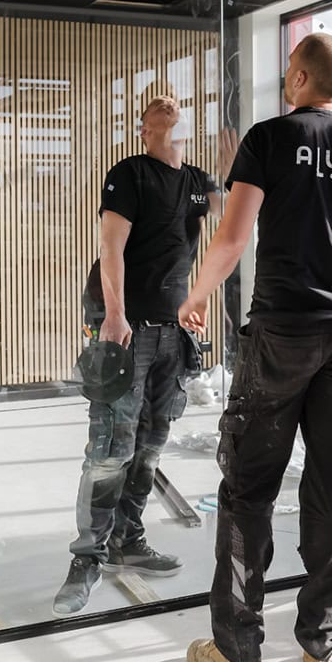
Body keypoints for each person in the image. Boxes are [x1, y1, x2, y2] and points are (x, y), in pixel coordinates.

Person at [178, 32, 332, 662]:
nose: (284, 82)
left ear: (300, 78)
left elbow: (232, 237)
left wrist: (195, 296)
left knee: (248, 489)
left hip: (282, 333)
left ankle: (239, 653)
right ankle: (320, 651)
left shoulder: (269, 139)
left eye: (287, 73)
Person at [53, 95, 223, 617]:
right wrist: (114, 315)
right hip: (124, 327)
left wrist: (232, 170)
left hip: (173, 329)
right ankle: (87, 558)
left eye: (174, 108)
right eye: (155, 110)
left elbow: (233, 220)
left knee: (150, 443)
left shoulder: (197, 182)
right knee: (110, 446)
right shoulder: (129, 174)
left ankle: (128, 539)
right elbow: (111, 247)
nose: (166, 108)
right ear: (144, 129)